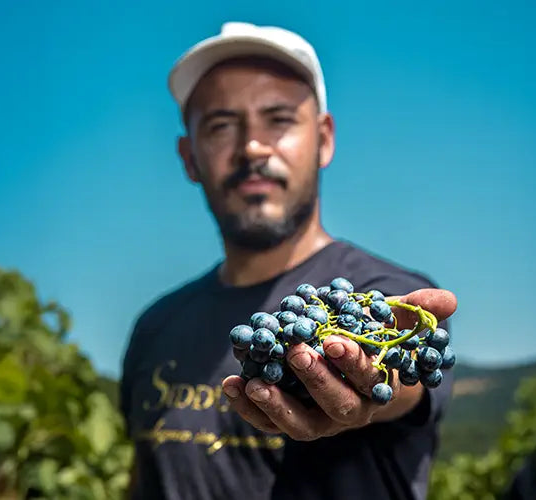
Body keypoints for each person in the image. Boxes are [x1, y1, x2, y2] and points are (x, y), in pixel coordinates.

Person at [118, 21, 458, 500]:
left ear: (324, 139)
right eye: (221, 125)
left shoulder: (379, 291)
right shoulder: (156, 326)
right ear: (189, 156)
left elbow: (401, 389)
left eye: (278, 119)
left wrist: (369, 380)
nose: (252, 147)